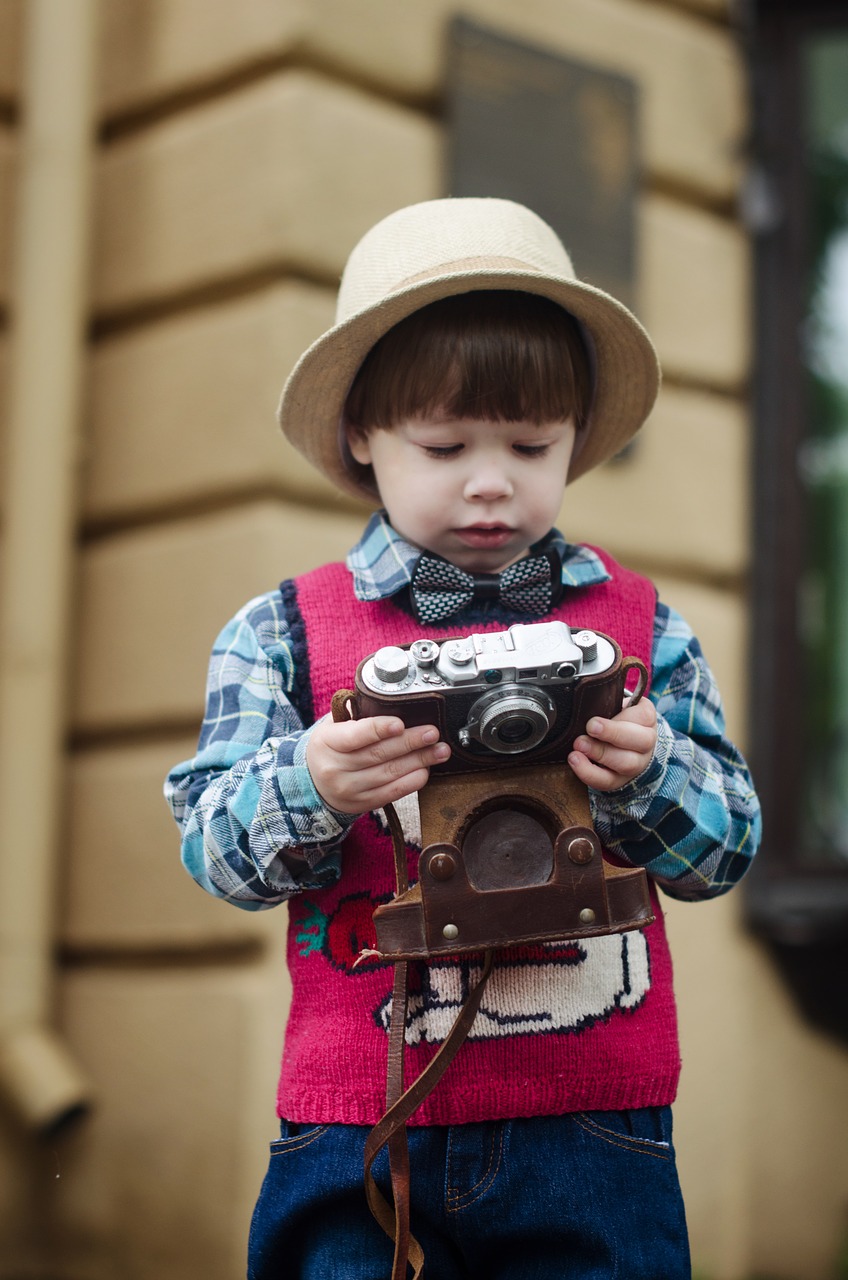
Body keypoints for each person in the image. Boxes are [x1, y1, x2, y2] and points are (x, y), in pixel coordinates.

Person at [164, 197, 761, 1280]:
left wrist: (650, 772)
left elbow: (725, 850)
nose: (490, 480)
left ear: (575, 438)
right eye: (443, 444)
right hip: (359, 1118)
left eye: (530, 444)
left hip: (592, 1119)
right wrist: (313, 780)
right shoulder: (282, 633)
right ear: (361, 435)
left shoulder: (639, 626)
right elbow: (212, 852)